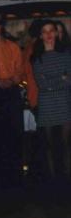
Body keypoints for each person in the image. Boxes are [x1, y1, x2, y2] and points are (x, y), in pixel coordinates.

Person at [30, 20, 71, 180]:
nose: (48, 34)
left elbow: (69, 80)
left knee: (66, 142)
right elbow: (42, 85)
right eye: (44, 31)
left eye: (51, 30)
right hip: (47, 103)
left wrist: (53, 80)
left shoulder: (66, 54)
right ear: (40, 36)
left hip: (64, 101)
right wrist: (62, 78)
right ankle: (53, 179)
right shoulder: (37, 58)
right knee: (49, 144)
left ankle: (67, 176)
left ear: (56, 33)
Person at [0, 11, 24, 187]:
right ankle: (0, 176)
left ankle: (16, 174)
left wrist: (12, 80)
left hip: (12, 92)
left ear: (2, 26)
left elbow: (19, 70)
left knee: (15, 132)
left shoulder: (13, 47)